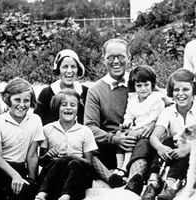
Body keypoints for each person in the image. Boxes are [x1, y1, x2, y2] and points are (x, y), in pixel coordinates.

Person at [84, 38, 157, 194]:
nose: (116, 61)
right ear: (103, 59)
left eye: (121, 56)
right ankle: (111, 178)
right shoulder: (95, 90)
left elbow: (164, 103)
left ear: (129, 57)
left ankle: (133, 181)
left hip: (137, 142)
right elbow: (90, 126)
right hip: (111, 146)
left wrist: (151, 124)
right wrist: (113, 139)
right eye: (110, 57)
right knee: (85, 148)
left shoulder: (140, 80)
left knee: (144, 144)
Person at [141, 68, 196, 200]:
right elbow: (154, 136)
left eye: (185, 90)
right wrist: (160, 147)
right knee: (169, 141)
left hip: (192, 157)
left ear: (193, 91)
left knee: (186, 143)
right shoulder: (168, 111)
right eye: (177, 90)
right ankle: (153, 182)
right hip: (173, 155)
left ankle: (171, 185)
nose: (180, 94)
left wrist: (187, 149)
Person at [35, 88, 98, 200]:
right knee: (60, 161)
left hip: (76, 178)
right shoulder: (48, 129)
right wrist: (49, 154)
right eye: (64, 105)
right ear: (57, 107)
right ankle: (42, 194)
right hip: (53, 178)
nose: (68, 108)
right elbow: (41, 161)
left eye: (73, 105)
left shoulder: (85, 131)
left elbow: (89, 163)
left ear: (78, 108)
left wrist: (73, 156)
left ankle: (66, 196)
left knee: (74, 163)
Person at [108, 65, 165, 188]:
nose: (143, 89)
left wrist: (134, 130)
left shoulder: (156, 99)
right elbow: (129, 114)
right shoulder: (133, 99)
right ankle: (119, 167)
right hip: (137, 128)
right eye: (139, 85)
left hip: (150, 130)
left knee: (131, 136)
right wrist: (126, 123)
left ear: (152, 84)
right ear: (134, 86)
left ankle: (124, 168)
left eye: (146, 85)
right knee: (120, 135)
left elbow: (154, 119)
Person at [0, 78, 45, 200]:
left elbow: (32, 155)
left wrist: (32, 181)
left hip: (20, 168)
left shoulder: (35, 120)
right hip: (1, 169)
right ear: (8, 99)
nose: (22, 105)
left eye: (26, 101)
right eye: (17, 99)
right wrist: (15, 175)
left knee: (26, 191)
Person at [34, 49, 87, 125]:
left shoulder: (85, 92)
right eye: (65, 67)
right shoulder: (47, 93)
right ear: (58, 70)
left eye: (73, 67)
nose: (69, 71)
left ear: (78, 70)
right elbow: (37, 122)